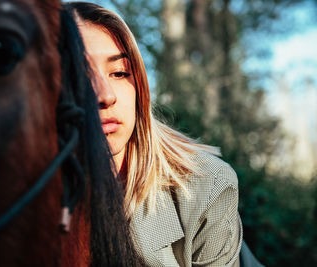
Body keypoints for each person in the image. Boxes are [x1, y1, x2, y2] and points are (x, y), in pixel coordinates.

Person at [65, 2, 243, 266]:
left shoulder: (206, 185)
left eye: (119, 72)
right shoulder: (12, 190)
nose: (105, 95)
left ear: (139, 84)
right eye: (77, 76)